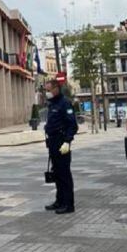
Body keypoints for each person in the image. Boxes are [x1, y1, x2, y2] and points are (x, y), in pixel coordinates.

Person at [43, 79, 78, 214]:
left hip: (62, 143)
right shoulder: (52, 104)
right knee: (57, 173)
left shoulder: (65, 103)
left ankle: (68, 204)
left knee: (64, 174)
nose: (47, 93)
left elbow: (72, 125)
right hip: (52, 143)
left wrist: (67, 142)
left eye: (49, 90)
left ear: (56, 88)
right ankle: (59, 201)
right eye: (46, 90)